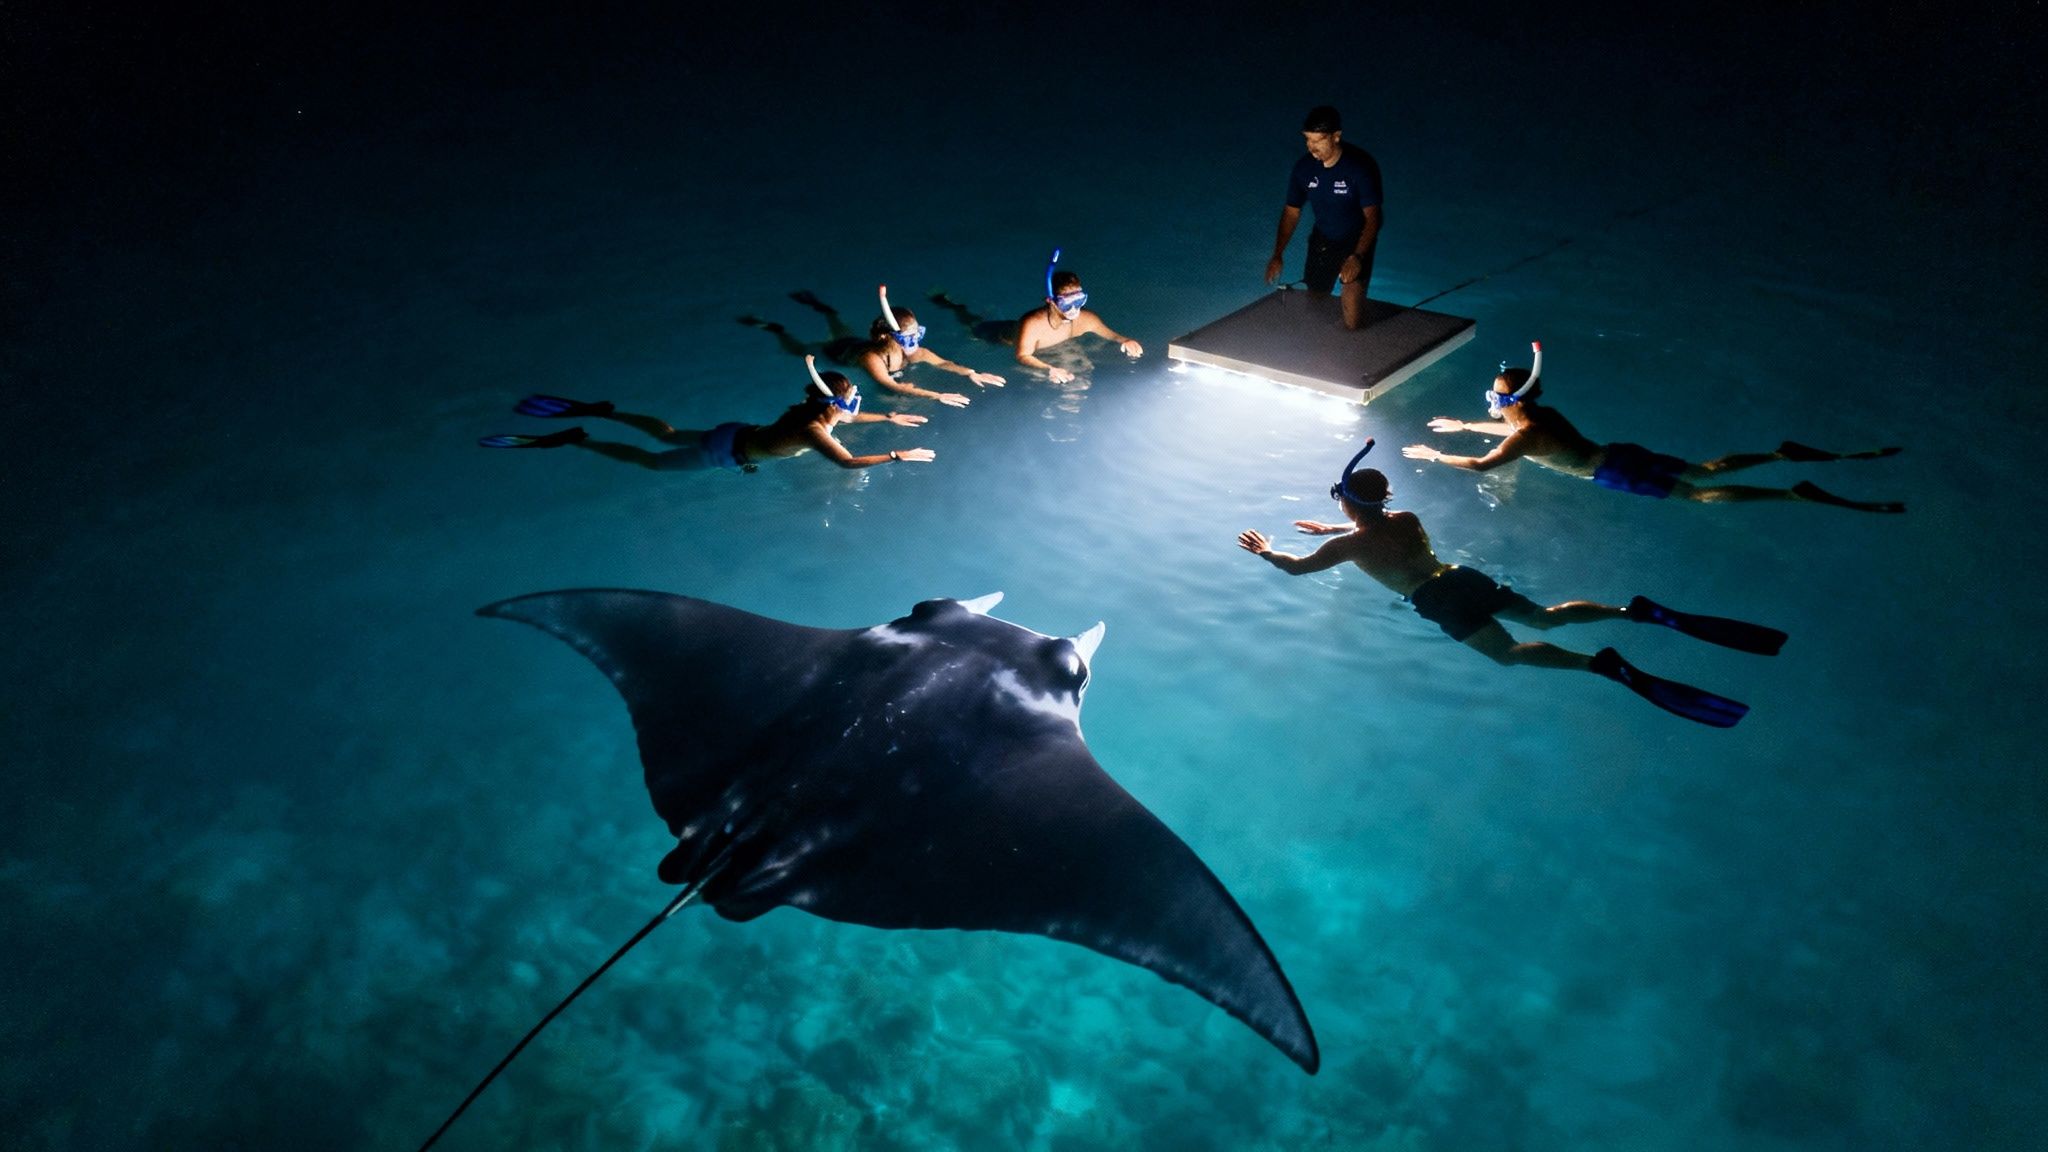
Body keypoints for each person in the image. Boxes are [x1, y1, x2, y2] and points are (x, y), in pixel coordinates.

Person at [1236, 441, 1783, 727]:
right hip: (1459, 576)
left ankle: (1601, 665)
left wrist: (1267, 552)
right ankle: (1628, 610)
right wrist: (1339, 519)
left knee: (1512, 654)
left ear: (1347, 503)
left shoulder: (1345, 546)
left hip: (1436, 600)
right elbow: (1373, 526)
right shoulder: (1405, 520)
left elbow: (1298, 567)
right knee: (1544, 615)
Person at [1401, 343, 1904, 513]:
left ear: (1508, 401)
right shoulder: (1538, 417)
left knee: (1697, 496)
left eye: (1492, 395)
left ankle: (1791, 495)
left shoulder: (1525, 434)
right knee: (1701, 469)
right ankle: (1777, 455)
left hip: (1611, 473)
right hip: (1616, 451)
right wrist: (1464, 423)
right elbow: (1507, 436)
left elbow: (1485, 463)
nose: (1488, 400)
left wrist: (1435, 455)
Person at [478, 356, 935, 470]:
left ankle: (608, 413)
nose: (857, 403)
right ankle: (581, 438)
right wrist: (896, 455)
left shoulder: (811, 415)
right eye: (852, 397)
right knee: (652, 463)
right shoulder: (817, 429)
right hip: (727, 455)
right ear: (834, 404)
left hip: (733, 432)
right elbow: (846, 461)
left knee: (670, 432)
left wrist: (889, 420)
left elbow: (849, 423)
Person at [740, 287, 1005, 408]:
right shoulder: (871, 359)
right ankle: (776, 329)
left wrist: (970, 372)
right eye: (908, 338)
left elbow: (943, 362)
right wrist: (937, 395)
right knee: (796, 350)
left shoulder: (911, 352)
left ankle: (826, 310)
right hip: (836, 353)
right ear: (889, 338)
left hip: (854, 343)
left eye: (917, 336)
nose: (915, 344)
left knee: (840, 327)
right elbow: (891, 386)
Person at [928, 250, 1143, 384]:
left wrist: (1125, 340)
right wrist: (1049, 368)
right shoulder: (1033, 323)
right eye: (1068, 303)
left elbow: (1106, 332)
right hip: (996, 336)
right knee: (972, 325)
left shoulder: (1085, 319)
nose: (1075, 308)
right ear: (1051, 301)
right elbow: (1022, 355)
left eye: (1079, 300)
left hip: (1018, 329)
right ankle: (951, 305)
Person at [1264, 105, 1383, 330]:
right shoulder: (1304, 169)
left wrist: (1357, 256)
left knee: (1353, 321)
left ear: (1336, 137)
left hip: (1356, 239)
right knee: (1314, 309)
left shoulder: (1361, 167)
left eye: (1318, 140)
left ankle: (1359, 306)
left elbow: (1374, 218)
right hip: (1323, 240)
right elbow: (1291, 211)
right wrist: (1278, 254)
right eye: (1308, 140)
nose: (1312, 147)